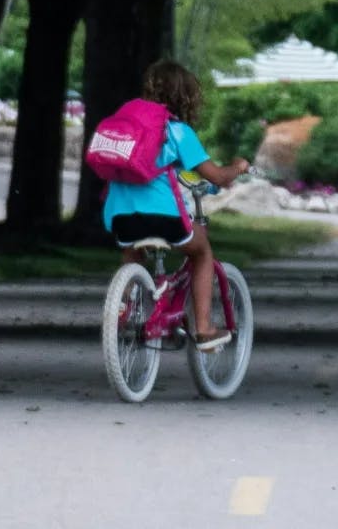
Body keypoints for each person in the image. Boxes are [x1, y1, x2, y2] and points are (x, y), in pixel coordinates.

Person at [102, 60, 250, 351]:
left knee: (134, 248)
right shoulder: (176, 131)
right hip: (163, 218)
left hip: (120, 215)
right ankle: (205, 329)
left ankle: (121, 308)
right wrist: (238, 166)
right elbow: (217, 176)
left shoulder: (128, 123)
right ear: (185, 96)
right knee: (202, 250)